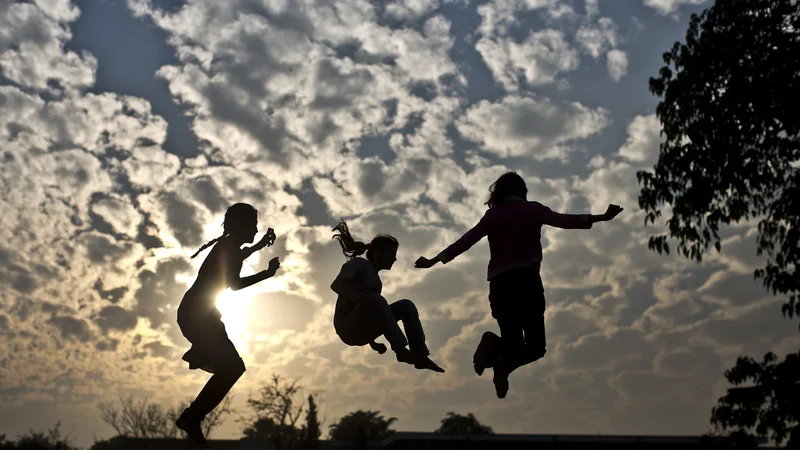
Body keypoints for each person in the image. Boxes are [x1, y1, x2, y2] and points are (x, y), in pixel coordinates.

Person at [415, 172, 623, 398]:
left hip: (501, 288)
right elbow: (564, 220)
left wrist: (434, 260)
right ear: (522, 191)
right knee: (535, 348)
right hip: (527, 284)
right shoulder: (533, 209)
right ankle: (499, 357)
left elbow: (466, 240)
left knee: (513, 344)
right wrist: (602, 217)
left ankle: (499, 359)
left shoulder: (492, 216)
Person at [175, 203, 281, 447]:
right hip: (198, 315)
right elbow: (234, 284)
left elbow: (237, 258)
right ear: (240, 226)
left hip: (200, 314)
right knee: (233, 368)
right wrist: (267, 273)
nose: (255, 230)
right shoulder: (229, 249)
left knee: (232, 368)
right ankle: (191, 417)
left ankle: (192, 416)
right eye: (253, 226)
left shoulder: (228, 246)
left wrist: (260, 245)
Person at [330, 220, 444, 373]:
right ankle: (401, 351)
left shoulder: (377, 282)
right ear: (377, 252)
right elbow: (337, 285)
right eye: (391, 253)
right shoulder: (358, 264)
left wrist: (373, 342)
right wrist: (358, 297)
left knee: (406, 306)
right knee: (377, 300)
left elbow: (374, 314)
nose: (394, 259)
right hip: (347, 328)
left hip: (362, 331)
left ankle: (420, 354)